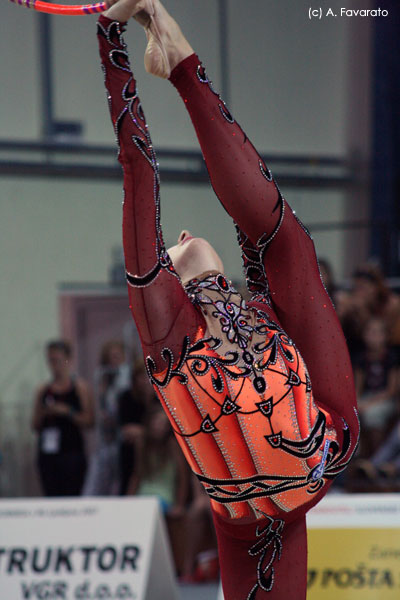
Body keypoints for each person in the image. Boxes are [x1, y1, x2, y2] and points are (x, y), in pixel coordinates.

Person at [97, 1, 360, 597]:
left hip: (255, 514)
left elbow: (144, 173)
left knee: (275, 250)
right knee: (284, 244)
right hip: (314, 452)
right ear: (175, 266)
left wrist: (118, 40)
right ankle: (183, 64)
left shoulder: (164, 325)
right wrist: (107, 34)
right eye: (180, 239)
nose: (184, 234)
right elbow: (135, 169)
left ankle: (180, 59)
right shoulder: (169, 312)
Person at [31, 340, 94, 496]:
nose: (53, 364)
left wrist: (68, 412)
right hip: (49, 454)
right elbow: (34, 424)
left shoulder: (79, 388)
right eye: (50, 360)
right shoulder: (43, 390)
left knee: (73, 494)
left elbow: (89, 421)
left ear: (66, 360)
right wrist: (46, 413)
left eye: (57, 360)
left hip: (71, 452)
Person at [83, 340, 130, 496]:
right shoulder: (103, 380)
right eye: (110, 358)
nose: (114, 361)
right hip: (107, 439)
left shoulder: (126, 377)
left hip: (123, 438)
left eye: (117, 356)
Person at [353, 318, 399, 458]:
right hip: (367, 397)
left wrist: (370, 403)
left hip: (385, 398)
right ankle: (356, 455)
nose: (373, 337)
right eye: (370, 332)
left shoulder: (392, 358)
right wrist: (357, 404)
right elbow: (358, 388)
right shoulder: (361, 358)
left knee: (373, 415)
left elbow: (392, 390)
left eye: (377, 333)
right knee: (353, 414)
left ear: (385, 336)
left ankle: (375, 457)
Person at [117, 359, 150, 495]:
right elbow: (126, 430)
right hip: (131, 447)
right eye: (141, 376)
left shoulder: (157, 398)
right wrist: (148, 432)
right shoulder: (127, 397)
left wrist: (143, 432)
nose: (144, 380)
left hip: (154, 448)